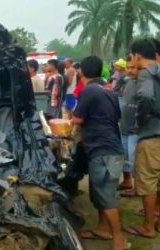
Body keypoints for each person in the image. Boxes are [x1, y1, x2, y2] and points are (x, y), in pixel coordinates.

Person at [71, 56, 128, 250]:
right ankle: (103, 229)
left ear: (82, 72)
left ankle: (119, 239)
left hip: (103, 150)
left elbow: (76, 119)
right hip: (110, 148)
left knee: (106, 194)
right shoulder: (108, 91)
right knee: (101, 192)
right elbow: (115, 117)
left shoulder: (89, 91)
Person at [123, 39, 160, 239]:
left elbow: (145, 96)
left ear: (137, 56)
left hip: (152, 135)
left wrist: (142, 117)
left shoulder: (146, 73)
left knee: (147, 182)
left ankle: (148, 227)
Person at [118, 55, 139, 197]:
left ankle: (139, 188)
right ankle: (127, 181)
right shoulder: (128, 82)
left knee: (135, 160)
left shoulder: (146, 84)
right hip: (124, 126)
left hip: (136, 130)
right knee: (124, 156)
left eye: (133, 68)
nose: (130, 71)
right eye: (128, 67)